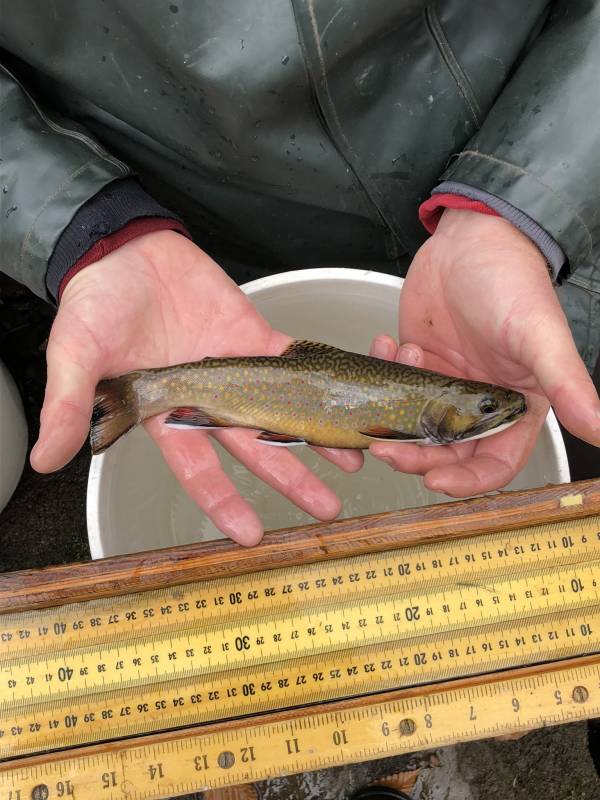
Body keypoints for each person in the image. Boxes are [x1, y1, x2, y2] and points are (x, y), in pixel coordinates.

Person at [1, 1, 599, 546]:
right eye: (487, 409)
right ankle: (141, 391)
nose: (494, 412)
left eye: (484, 409)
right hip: (192, 223)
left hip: (502, 168)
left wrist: (518, 209)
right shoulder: (412, 423)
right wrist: (90, 227)